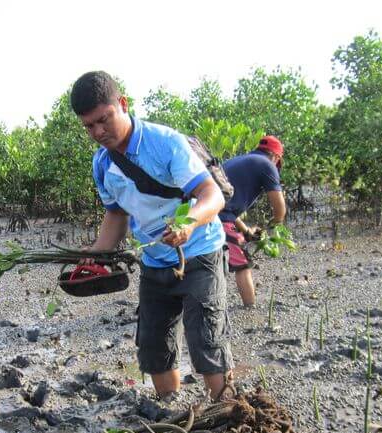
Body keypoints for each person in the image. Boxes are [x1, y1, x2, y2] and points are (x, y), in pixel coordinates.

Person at [72, 71, 233, 400]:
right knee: (154, 347)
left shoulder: (165, 143)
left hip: (199, 254)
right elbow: (116, 215)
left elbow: (211, 195)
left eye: (104, 120)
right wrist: (98, 252)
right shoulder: (102, 163)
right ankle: (171, 415)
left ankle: (228, 414)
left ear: (123, 104)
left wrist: (188, 223)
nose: (99, 132)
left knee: (207, 343)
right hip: (154, 262)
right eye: (89, 126)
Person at [218, 136, 287, 307]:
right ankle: (250, 307)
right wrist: (275, 225)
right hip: (218, 218)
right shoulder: (267, 165)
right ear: (275, 157)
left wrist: (246, 231)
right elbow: (280, 209)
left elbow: (229, 208)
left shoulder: (239, 160)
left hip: (205, 212)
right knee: (243, 264)